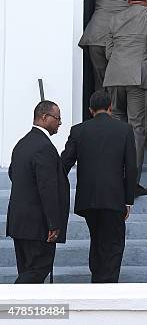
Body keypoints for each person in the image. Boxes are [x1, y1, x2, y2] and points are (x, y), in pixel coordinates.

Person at [61, 90, 137, 283]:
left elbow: (63, 164)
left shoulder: (78, 130)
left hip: (88, 199)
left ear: (90, 110)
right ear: (111, 107)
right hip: (114, 197)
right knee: (113, 243)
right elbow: (131, 168)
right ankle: (107, 285)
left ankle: (97, 278)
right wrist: (129, 200)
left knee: (96, 239)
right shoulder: (124, 129)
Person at [103, 0, 147, 196]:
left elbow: (108, 51)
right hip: (138, 75)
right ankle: (131, 183)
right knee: (137, 128)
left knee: (116, 127)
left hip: (114, 75)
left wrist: (119, 63)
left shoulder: (114, 17)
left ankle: (114, 180)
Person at [6, 101, 70, 283]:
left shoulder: (22, 144)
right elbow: (47, 188)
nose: (59, 123)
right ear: (44, 117)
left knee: (27, 269)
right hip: (37, 225)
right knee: (37, 270)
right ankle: (9, 305)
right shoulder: (44, 147)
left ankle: (23, 310)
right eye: (57, 118)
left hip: (19, 223)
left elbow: (14, 174)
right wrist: (53, 224)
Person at [79, 0, 147, 91]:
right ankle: (115, 112)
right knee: (118, 84)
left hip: (95, 35)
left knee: (100, 82)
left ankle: (100, 111)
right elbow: (141, 14)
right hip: (118, 39)